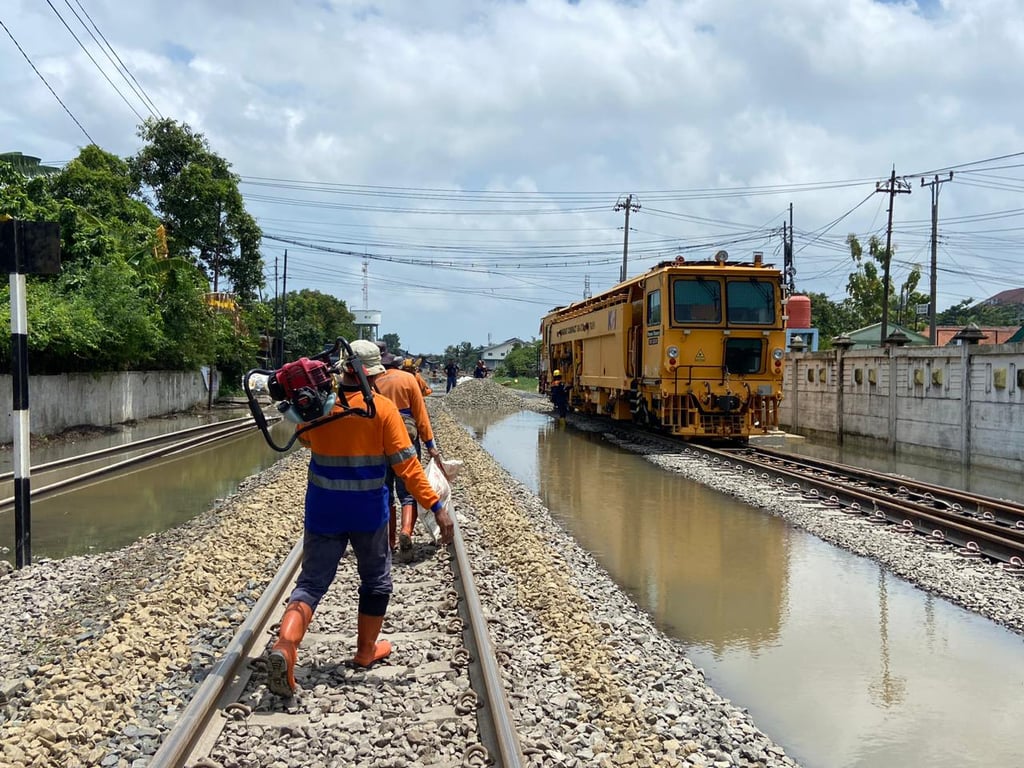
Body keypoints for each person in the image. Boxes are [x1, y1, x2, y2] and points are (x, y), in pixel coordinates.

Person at [266, 339, 454, 697]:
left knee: (311, 584)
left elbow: (304, 442)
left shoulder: (317, 407)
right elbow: (408, 468)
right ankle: (366, 650)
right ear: (371, 373)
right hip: (368, 514)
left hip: (323, 510)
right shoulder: (382, 410)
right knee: (376, 582)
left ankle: (285, 647)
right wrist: (436, 507)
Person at [374, 351, 440, 561]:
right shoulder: (409, 379)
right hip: (406, 441)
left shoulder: (372, 381)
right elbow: (421, 416)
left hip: (380, 443)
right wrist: (430, 444)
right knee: (408, 492)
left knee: (385, 491)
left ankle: (389, 542)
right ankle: (406, 531)